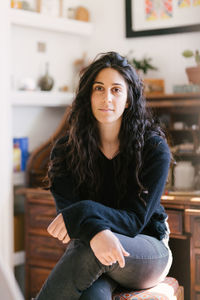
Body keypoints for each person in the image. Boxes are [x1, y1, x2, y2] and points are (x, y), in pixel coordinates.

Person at [35, 51, 173, 300]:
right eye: (98, 88)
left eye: (116, 90)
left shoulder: (153, 148)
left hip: (146, 247)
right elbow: (70, 216)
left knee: (87, 251)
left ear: (128, 99)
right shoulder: (65, 151)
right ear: (88, 95)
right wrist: (96, 229)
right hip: (94, 246)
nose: (106, 97)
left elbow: (133, 222)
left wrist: (83, 212)